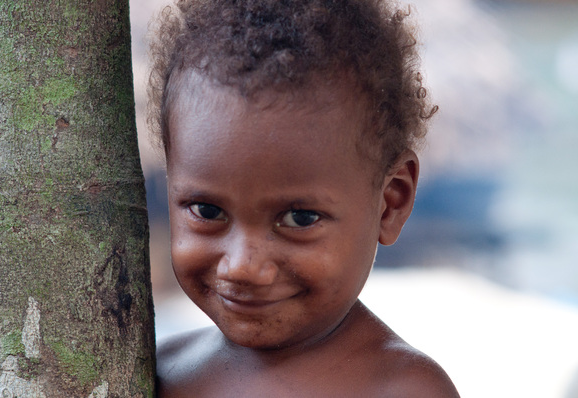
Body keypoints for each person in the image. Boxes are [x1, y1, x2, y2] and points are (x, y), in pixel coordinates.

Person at [148, 0, 459, 396]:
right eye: (208, 211)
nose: (243, 266)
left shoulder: (400, 390)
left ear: (390, 203)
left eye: (299, 219)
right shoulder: (160, 371)